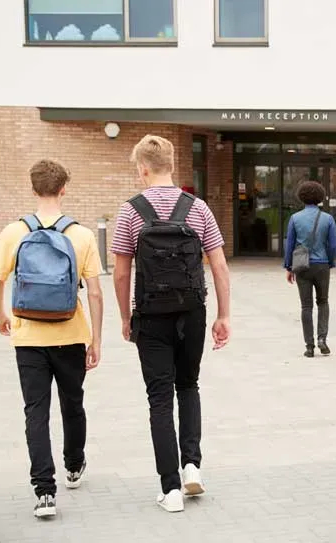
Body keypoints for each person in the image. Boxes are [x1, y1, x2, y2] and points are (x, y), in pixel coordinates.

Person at [112, 135, 231, 513]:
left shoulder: (130, 212)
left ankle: (171, 490)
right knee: (189, 385)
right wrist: (223, 315)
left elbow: (119, 272)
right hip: (192, 312)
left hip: (150, 315)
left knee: (159, 398)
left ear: (143, 168)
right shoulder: (198, 208)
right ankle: (191, 465)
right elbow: (219, 266)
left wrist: (125, 317)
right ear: (173, 166)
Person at [0, 160, 104, 518]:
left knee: (35, 412)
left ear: (33, 188)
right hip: (70, 335)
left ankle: (44, 493)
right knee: (73, 404)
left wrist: (1, 318)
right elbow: (96, 293)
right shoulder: (81, 235)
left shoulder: (13, 233)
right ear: (64, 188)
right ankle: (73, 465)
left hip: (28, 337)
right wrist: (95, 340)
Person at [284, 181, 336, 358]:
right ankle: (322, 338)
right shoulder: (328, 219)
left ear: (302, 197)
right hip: (322, 265)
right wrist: (330, 262)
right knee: (323, 301)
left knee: (306, 306)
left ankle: (309, 346)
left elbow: (290, 244)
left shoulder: (295, 218)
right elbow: (333, 245)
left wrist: (288, 267)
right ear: (320, 197)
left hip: (302, 266)